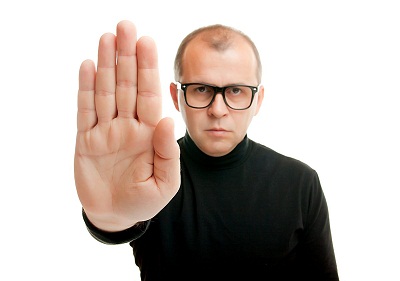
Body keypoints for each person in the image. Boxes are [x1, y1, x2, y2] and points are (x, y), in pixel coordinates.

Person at [75, 20, 339, 280]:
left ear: (257, 100)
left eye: (236, 90)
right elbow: (118, 223)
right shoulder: (144, 176)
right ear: (176, 96)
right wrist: (107, 218)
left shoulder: (301, 182)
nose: (218, 110)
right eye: (201, 89)